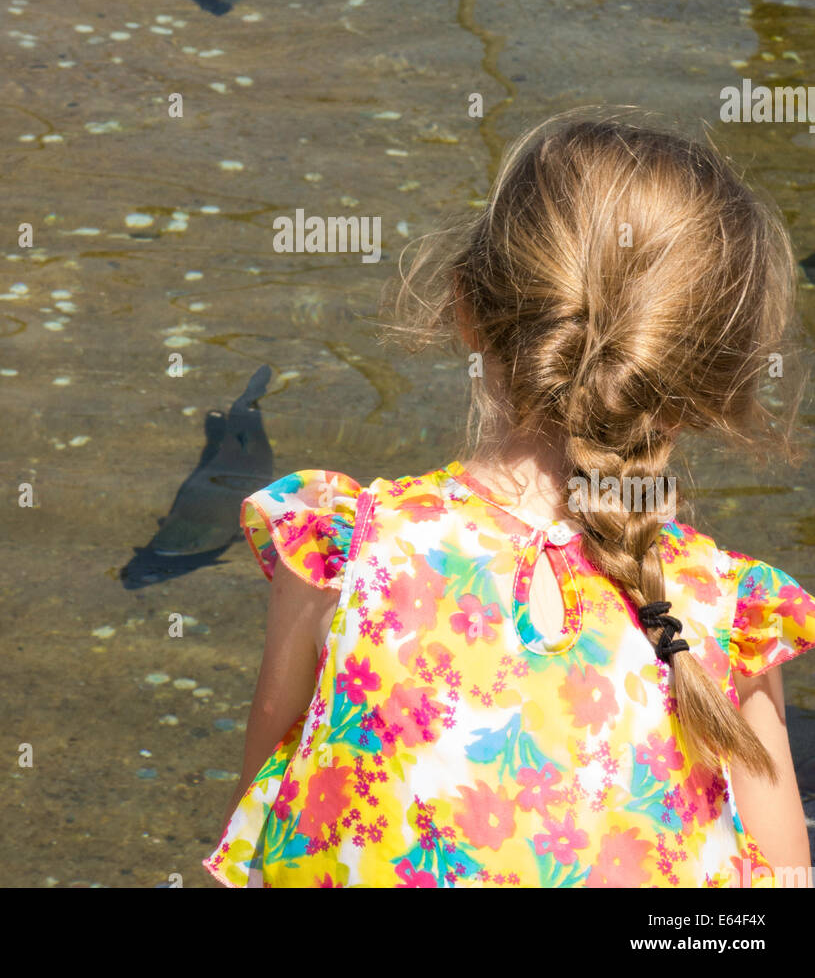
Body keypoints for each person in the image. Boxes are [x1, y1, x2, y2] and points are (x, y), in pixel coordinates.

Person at [203, 114, 815, 887]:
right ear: (707, 384)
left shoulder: (346, 550)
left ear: (465, 305)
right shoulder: (723, 615)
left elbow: (263, 831)